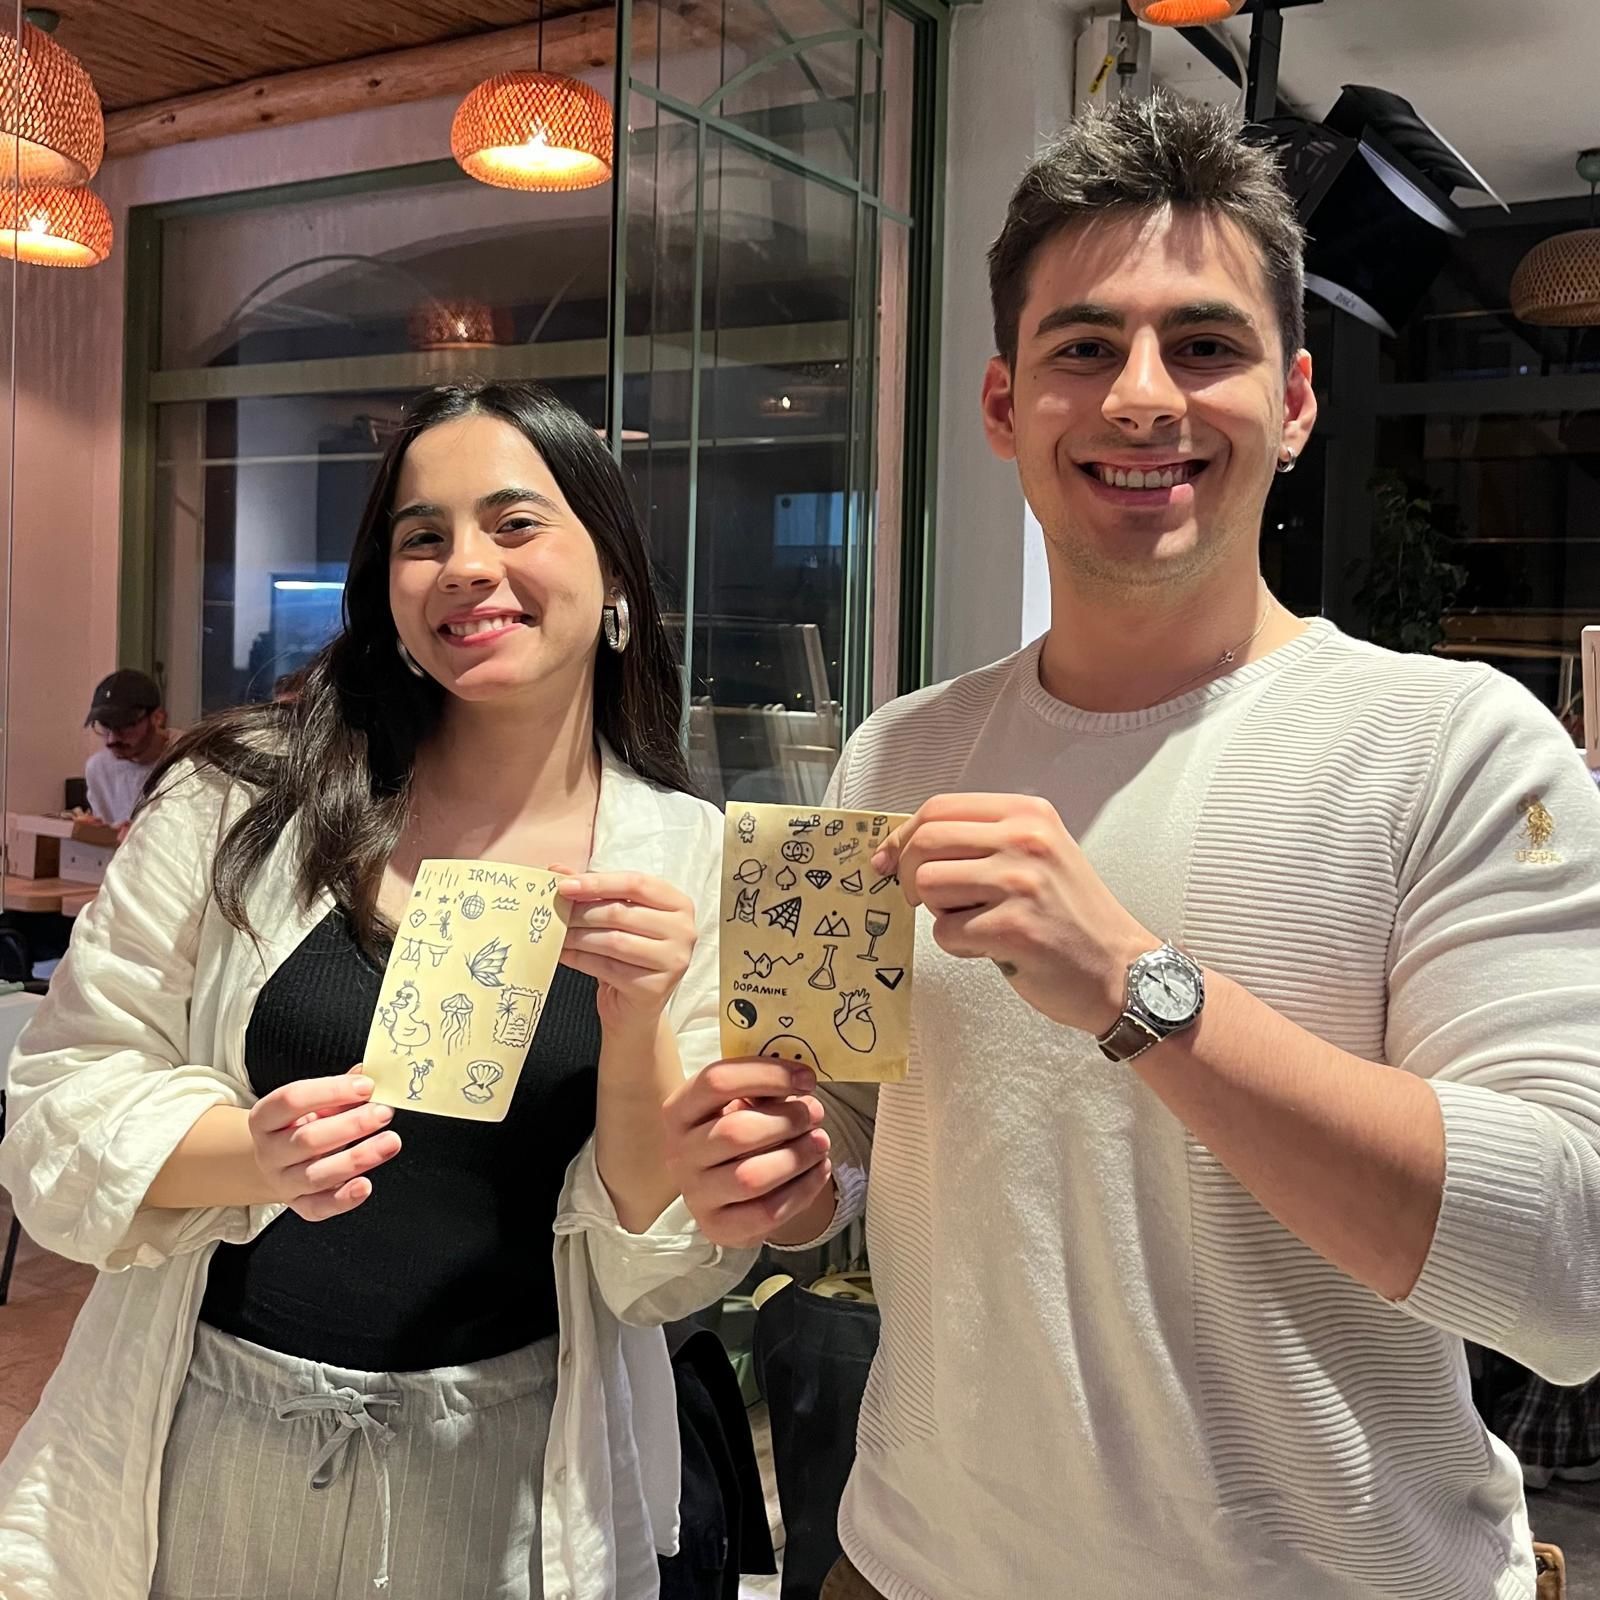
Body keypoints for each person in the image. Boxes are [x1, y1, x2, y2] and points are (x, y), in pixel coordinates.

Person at [663, 94, 1600, 1600]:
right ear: (1002, 406)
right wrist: (776, 1168)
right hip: (912, 1568)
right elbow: (845, 1140)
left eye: (1205, 345)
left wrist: (1138, 991)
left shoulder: (1457, 747)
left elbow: (1570, 1276)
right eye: (1084, 348)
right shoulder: (897, 754)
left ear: (1295, 401)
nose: (1143, 399)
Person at [0, 380, 754, 1600]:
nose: (467, 565)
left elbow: (652, 1267)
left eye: (515, 522)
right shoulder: (242, 797)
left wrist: (639, 1026)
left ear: (613, 570)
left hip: (511, 1472)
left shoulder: (687, 857)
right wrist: (253, 1154)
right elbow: (61, 1093)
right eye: (423, 535)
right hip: (213, 1437)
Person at [83, 666, 171, 828]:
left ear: (157, 718)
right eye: (105, 726)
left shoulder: (189, 760)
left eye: (124, 725)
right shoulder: (98, 769)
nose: (111, 739)